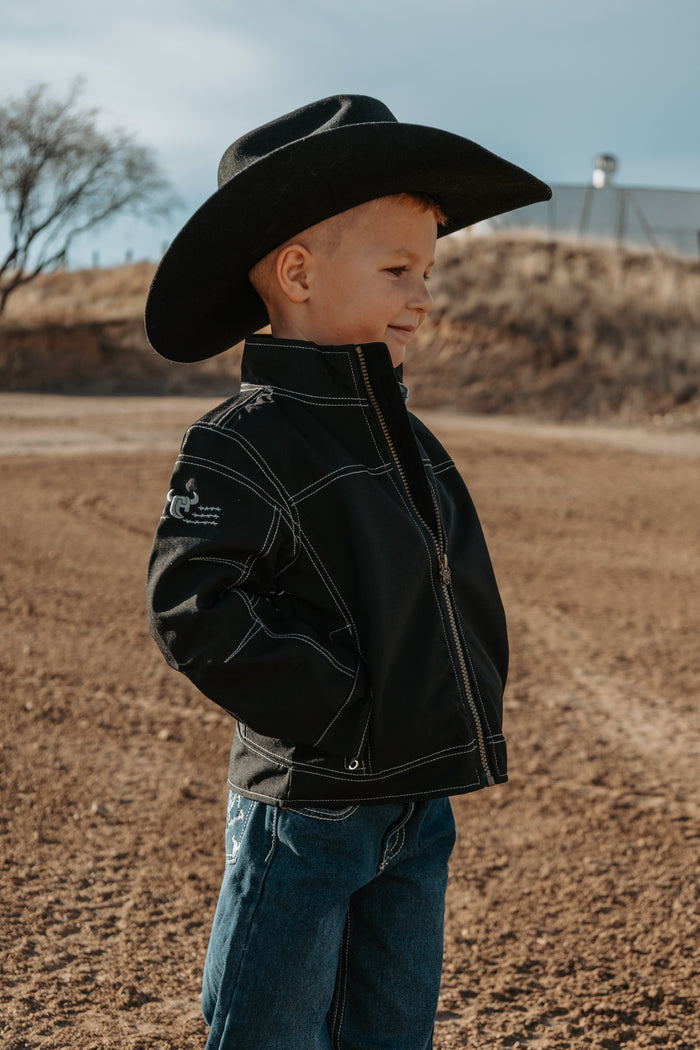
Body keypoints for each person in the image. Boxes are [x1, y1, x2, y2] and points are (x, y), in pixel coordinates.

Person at [145, 94, 550, 1050]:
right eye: (399, 269)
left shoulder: (411, 439)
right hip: (312, 811)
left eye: (430, 271)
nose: (423, 295)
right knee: (271, 1030)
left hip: (420, 805)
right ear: (298, 273)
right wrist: (344, 714)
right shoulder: (243, 443)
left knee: (391, 1028)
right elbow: (194, 606)